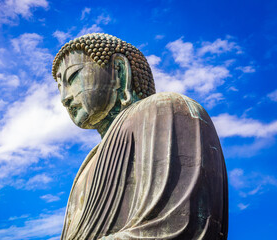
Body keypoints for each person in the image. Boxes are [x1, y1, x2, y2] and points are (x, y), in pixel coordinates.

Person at [52, 33, 228, 240]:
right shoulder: (87, 165)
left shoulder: (168, 109)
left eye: (73, 77)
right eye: (60, 87)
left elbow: (182, 223)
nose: (65, 98)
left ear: (119, 71)